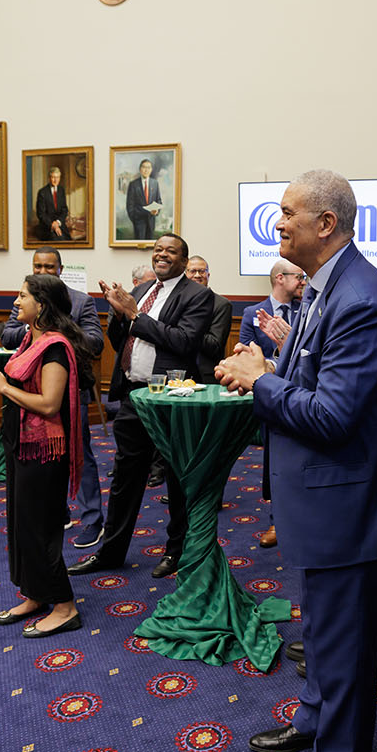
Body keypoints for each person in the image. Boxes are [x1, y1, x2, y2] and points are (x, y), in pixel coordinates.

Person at [217, 169, 377, 752]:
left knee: (345, 639)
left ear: (324, 224)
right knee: (325, 630)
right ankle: (315, 721)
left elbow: (332, 416)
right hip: (328, 499)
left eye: (286, 213)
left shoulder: (358, 298)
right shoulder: (323, 290)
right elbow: (313, 382)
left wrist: (259, 381)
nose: (277, 224)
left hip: (350, 504)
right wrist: (267, 372)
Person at [68, 233, 212, 578]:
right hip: (134, 395)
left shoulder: (198, 296)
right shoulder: (141, 291)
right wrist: (118, 315)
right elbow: (120, 342)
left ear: (183, 258)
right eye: (158, 249)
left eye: (170, 251)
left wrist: (134, 315)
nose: (161, 255)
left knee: (177, 480)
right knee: (125, 478)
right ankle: (111, 551)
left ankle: (175, 552)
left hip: (171, 399)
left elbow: (183, 342)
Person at [0, 274, 89, 638]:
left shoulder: (55, 347)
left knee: (40, 530)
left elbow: (49, 404)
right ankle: (36, 594)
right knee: (22, 526)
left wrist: (3, 385)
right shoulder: (27, 339)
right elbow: (21, 383)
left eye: (23, 295)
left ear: (43, 305)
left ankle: (65, 606)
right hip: (21, 443)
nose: (16, 300)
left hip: (45, 449)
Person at [2, 248, 105, 548]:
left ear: (60, 269)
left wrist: (57, 325)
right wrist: (33, 324)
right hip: (30, 395)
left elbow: (96, 343)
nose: (43, 271)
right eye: (38, 266)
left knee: (78, 453)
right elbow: (8, 336)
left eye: (49, 266)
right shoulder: (25, 301)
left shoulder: (80, 301)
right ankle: (57, 512)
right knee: (42, 462)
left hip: (69, 394)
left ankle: (92, 520)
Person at [239, 259, 305, 354]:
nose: (303, 283)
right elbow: (249, 354)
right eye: (299, 277)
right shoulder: (252, 314)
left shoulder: (304, 311)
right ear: (280, 278)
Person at [186, 256, 233, 383]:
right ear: (185, 274)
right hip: (178, 375)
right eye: (192, 271)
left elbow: (214, 345)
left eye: (201, 271)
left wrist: (187, 330)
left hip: (207, 376)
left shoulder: (221, 304)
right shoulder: (177, 302)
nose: (197, 275)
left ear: (208, 275)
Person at [124, 158, 162, 239]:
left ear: (151, 170)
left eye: (148, 168)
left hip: (151, 221)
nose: (146, 170)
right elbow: (129, 205)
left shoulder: (155, 183)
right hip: (139, 222)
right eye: (144, 167)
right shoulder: (133, 184)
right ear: (140, 169)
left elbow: (158, 200)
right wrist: (134, 219)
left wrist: (157, 211)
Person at [34, 166, 70, 241]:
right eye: (53, 177)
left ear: (60, 178)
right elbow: (41, 214)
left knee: (68, 240)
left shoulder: (61, 190)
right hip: (47, 227)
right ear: (49, 178)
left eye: (57, 177)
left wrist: (57, 222)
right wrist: (53, 225)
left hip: (60, 224)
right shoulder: (42, 192)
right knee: (58, 239)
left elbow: (64, 209)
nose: (55, 180)